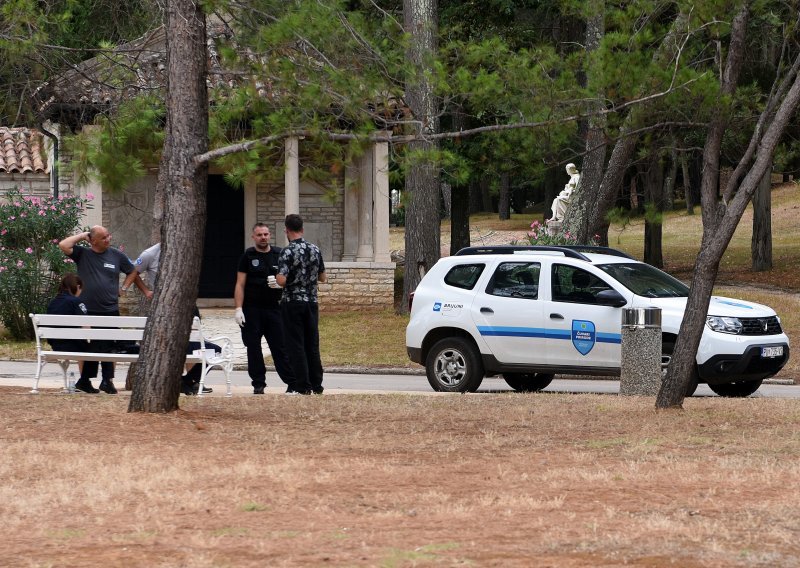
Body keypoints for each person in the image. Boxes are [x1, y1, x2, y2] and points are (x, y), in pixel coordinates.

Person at [121, 242, 214, 395]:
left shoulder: (185, 246)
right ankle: (169, 382)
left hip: (188, 303)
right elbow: (133, 272)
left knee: (194, 340)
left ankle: (192, 382)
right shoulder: (149, 254)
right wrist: (146, 291)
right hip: (165, 306)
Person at [59, 225, 141, 394]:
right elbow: (63, 245)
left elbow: (132, 271)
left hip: (109, 309)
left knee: (110, 346)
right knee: (92, 346)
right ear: (93, 240)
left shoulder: (116, 255)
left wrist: (124, 288)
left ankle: (104, 381)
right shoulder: (83, 254)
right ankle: (89, 381)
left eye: (108, 236)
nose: (108, 239)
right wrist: (83, 235)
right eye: (104, 237)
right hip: (87, 310)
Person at [234, 223, 296, 394]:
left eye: (266, 234)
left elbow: (290, 279)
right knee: (253, 348)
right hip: (252, 309)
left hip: (274, 309)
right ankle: (258, 384)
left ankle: (291, 382)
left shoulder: (280, 254)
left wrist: (280, 285)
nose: (263, 237)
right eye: (259, 234)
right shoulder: (248, 255)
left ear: (270, 236)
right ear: (253, 236)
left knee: (280, 347)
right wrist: (238, 309)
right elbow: (240, 284)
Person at [276, 214, 326, 395]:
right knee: (312, 343)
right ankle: (317, 384)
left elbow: (281, 280)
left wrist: (278, 277)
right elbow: (323, 277)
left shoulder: (287, 252)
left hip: (292, 302)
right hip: (311, 302)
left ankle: (303, 385)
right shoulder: (315, 249)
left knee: (295, 344)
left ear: (286, 230)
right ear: (302, 229)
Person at [46, 273, 103, 393]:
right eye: (80, 289)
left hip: (56, 345)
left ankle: (84, 382)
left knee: (87, 346)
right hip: (72, 345)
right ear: (77, 286)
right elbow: (86, 327)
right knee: (97, 346)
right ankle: (86, 381)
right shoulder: (77, 302)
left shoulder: (53, 303)